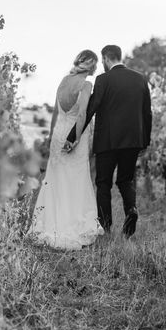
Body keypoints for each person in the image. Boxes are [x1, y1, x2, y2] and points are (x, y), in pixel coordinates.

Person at [65, 45, 152, 238]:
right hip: (133, 140)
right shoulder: (140, 79)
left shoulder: (103, 79)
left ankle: (106, 226)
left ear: (105, 58)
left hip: (108, 141)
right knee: (126, 180)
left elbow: (92, 108)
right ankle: (132, 210)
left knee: (103, 183)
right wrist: (144, 142)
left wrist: (72, 136)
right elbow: (147, 113)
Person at [29, 50, 104, 249]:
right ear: (92, 66)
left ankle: (50, 223)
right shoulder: (86, 84)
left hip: (58, 133)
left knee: (55, 178)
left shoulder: (63, 81)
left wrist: (52, 137)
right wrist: (76, 139)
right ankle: (72, 226)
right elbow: (81, 116)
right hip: (73, 134)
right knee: (76, 178)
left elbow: (55, 113)